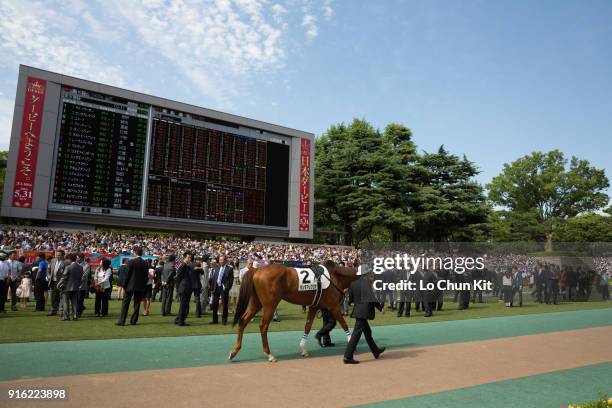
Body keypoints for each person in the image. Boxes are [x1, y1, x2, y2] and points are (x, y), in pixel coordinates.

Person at [343, 270, 385, 364]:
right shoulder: (366, 283)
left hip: (358, 310)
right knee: (356, 334)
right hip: (364, 311)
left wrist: (352, 302)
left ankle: (376, 351)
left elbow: (351, 299)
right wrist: (380, 308)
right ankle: (347, 356)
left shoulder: (353, 283)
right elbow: (372, 298)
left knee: (367, 332)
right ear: (366, 274)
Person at [116, 247, 149, 326]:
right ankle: (134, 320)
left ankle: (122, 320)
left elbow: (127, 275)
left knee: (125, 303)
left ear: (135, 252)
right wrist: (144, 286)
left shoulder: (131, 262)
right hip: (140, 287)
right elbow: (145, 277)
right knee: (137, 304)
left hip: (129, 286)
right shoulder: (145, 263)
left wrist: (124, 285)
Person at [209, 255, 233, 325]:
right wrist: (212, 288)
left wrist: (227, 287)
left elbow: (231, 280)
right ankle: (215, 320)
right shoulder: (216, 268)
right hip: (216, 288)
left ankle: (224, 320)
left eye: (222, 260)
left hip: (224, 288)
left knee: (224, 304)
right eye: (219, 260)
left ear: (225, 260)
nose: (220, 261)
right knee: (215, 304)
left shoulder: (229, 269)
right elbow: (214, 279)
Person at [58, 253, 82, 321]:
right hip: (76, 287)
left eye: (66, 259)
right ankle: (75, 316)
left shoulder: (68, 267)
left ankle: (66, 317)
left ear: (69, 259)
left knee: (65, 302)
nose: (66, 260)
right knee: (74, 302)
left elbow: (64, 277)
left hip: (67, 287)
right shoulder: (80, 267)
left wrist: (58, 284)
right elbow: (80, 278)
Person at [175, 252, 193, 326]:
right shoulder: (183, 266)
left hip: (186, 288)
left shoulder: (186, 266)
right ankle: (181, 321)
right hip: (184, 288)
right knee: (183, 306)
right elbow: (178, 277)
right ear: (184, 257)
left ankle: (178, 319)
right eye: (188, 257)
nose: (189, 259)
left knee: (184, 305)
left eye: (190, 257)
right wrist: (178, 288)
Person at [46, 250, 65, 316]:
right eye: (57, 255)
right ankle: (53, 310)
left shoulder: (65, 262)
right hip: (53, 282)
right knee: (53, 297)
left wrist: (63, 281)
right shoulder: (52, 261)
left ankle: (61, 311)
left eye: (59, 255)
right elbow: (48, 270)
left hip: (61, 282)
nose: (57, 256)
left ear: (63, 255)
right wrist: (48, 276)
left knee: (62, 297)